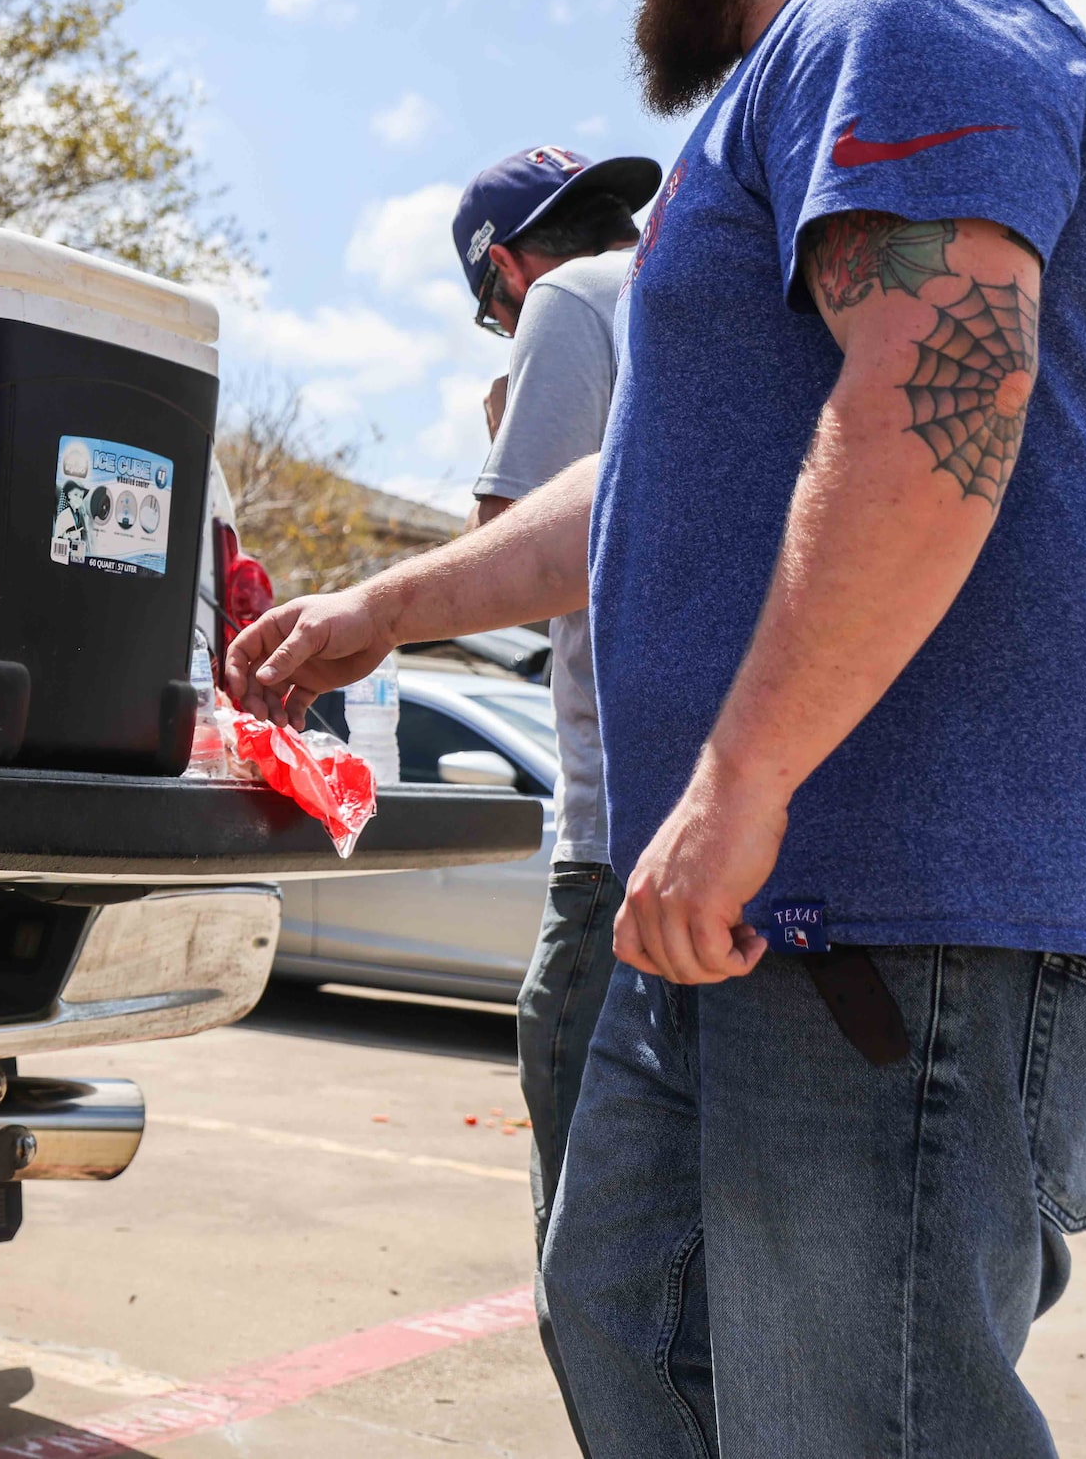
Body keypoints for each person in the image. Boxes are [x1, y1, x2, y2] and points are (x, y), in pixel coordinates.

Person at [228, 0, 1086, 1456]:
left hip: (906, 920)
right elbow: (642, 484)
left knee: (853, 1424)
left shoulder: (902, 19)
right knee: (623, 1319)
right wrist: (379, 609)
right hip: (748, 924)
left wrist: (745, 778)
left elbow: (936, 390)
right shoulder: (763, 118)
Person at [452, 142, 654, 1440]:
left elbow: (512, 559)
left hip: (616, 844)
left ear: (508, 270)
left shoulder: (573, 305)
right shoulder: (714, 289)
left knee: (599, 1280)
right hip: (742, 839)